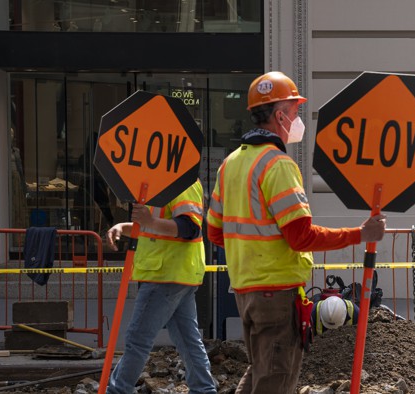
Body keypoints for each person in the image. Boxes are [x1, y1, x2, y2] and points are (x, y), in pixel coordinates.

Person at [206, 71, 387, 393]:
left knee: (262, 372)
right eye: (294, 111)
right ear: (279, 116)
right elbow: (300, 236)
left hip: (246, 292)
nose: (297, 118)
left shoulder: (230, 164)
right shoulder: (277, 165)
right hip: (276, 293)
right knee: (275, 379)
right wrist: (360, 234)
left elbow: (216, 233)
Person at [105, 180, 217, 394]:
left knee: (137, 340)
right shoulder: (162, 183)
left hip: (165, 274)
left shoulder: (183, 182)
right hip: (172, 273)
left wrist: (150, 221)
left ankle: (117, 391)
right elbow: (152, 228)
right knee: (187, 339)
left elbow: (190, 227)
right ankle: (204, 389)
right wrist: (124, 227)